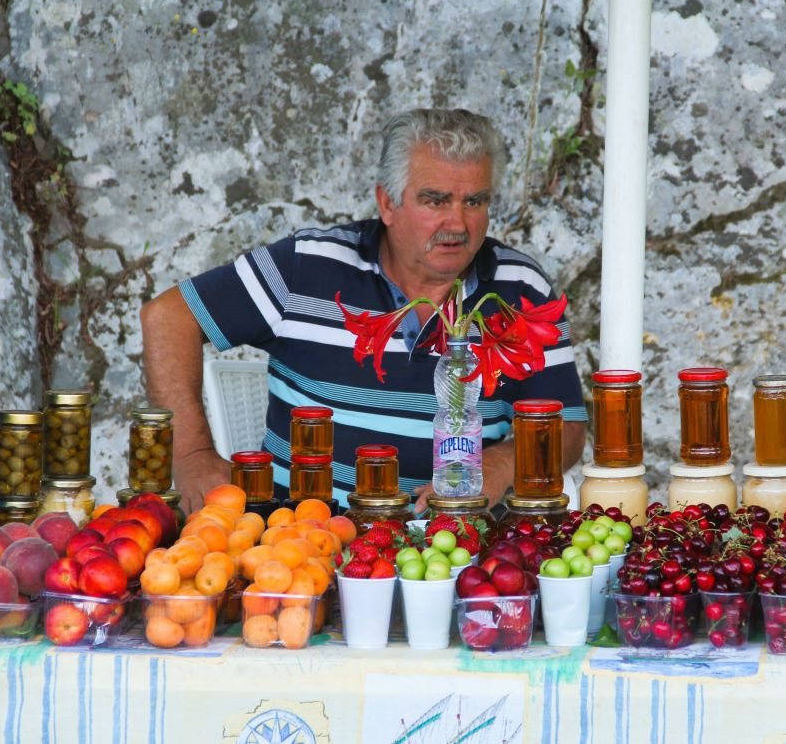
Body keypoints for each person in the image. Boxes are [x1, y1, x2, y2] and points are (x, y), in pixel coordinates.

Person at [140, 108, 587, 513]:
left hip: (452, 543)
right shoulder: (307, 266)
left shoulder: (520, 288)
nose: (458, 224)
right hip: (298, 538)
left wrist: (504, 463)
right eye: (435, 200)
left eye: (475, 201)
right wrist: (192, 456)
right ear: (387, 203)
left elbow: (566, 425)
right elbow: (169, 317)